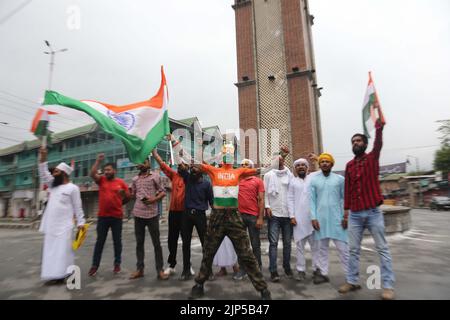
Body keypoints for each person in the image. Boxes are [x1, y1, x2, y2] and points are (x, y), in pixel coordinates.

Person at [183, 141, 284, 300]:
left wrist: (282, 156)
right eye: (225, 153)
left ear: (233, 157)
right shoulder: (213, 170)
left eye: (230, 153)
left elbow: (262, 169)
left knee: (246, 254)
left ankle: (263, 289)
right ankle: (199, 284)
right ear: (221, 156)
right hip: (217, 216)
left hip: (234, 217)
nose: (227, 156)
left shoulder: (239, 172)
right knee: (208, 251)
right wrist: (175, 144)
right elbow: (193, 162)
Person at [339, 119, 396, 300]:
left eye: (358, 141)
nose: (355, 143)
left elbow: (378, 143)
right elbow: (347, 190)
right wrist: (346, 213)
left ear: (365, 143)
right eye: (353, 142)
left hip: (373, 212)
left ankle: (388, 286)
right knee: (353, 250)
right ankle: (352, 280)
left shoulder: (372, 158)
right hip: (355, 215)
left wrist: (379, 127)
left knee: (382, 249)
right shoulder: (349, 165)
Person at [38, 146, 86, 285]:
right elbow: (43, 172)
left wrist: (81, 224)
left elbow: (78, 208)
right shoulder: (53, 185)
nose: (53, 174)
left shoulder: (73, 188)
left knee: (64, 252)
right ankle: (52, 274)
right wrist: (43, 157)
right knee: (50, 252)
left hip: (65, 226)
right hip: (51, 226)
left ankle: (63, 274)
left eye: (57, 172)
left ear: (64, 173)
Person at [88, 153, 131, 277]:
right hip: (103, 217)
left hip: (117, 217)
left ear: (114, 171)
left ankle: (117, 264)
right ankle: (95, 266)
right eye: (105, 170)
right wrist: (97, 161)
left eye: (108, 170)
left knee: (117, 242)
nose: (106, 172)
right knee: (99, 242)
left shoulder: (121, 182)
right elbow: (92, 174)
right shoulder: (101, 180)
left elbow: (128, 197)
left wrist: (122, 198)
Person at [310, 153, 349, 285]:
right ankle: (323, 273)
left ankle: (351, 277)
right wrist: (313, 218)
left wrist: (346, 215)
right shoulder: (314, 180)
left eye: (327, 161)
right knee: (322, 248)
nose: (325, 163)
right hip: (321, 220)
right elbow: (312, 201)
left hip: (337, 219)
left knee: (343, 248)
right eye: (322, 162)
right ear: (319, 164)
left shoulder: (339, 179)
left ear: (332, 164)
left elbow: (345, 198)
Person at [129, 158, 168, 280]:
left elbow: (162, 192)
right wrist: (125, 194)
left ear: (149, 164)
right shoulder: (135, 179)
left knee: (156, 243)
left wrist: (153, 200)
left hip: (152, 214)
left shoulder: (155, 177)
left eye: (145, 162)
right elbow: (132, 195)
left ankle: (160, 270)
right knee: (139, 244)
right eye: (141, 162)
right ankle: (140, 269)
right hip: (138, 214)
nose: (142, 164)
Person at [152, 149, 189, 276]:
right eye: (178, 165)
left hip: (185, 214)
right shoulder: (174, 175)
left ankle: (187, 266)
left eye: (182, 165)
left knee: (186, 240)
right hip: (173, 213)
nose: (179, 166)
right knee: (171, 240)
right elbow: (163, 165)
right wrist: (155, 153)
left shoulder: (190, 178)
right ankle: (172, 265)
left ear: (187, 166)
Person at [178, 162, 214, 281]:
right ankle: (186, 270)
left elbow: (211, 202)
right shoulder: (188, 179)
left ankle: (208, 270)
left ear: (201, 171)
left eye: (196, 168)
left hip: (200, 215)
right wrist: (183, 165)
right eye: (192, 168)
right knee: (186, 243)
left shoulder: (206, 184)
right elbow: (182, 170)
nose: (193, 170)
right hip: (186, 214)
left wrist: (216, 216)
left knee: (205, 243)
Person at [287, 158, 320, 282]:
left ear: (307, 167)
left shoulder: (312, 178)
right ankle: (301, 270)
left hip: (313, 219)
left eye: (303, 165)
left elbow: (323, 168)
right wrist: (292, 216)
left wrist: (317, 159)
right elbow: (290, 199)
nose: (301, 167)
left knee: (315, 247)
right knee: (300, 247)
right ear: (295, 169)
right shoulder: (293, 182)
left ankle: (317, 269)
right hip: (299, 219)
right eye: (298, 165)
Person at [264, 153, 294, 282]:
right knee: (273, 243)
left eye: (281, 159)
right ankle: (273, 271)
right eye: (276, 159)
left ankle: (287, 267)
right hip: (274, 213)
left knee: (287, 243)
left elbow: (293, 193)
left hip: (287, 214)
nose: (279, 161)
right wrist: (267, 206)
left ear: (284, 160)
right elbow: (264, 192)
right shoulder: (268, 175)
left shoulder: (290, 175)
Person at [234, 159, 265, 281]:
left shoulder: (258, 181)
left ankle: (257, 269)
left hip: (253, 217)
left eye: (246, 165)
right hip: (238, 217)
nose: (243, 166)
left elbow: (261, 200)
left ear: (252, 167)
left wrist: (261, 218)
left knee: (255, 244)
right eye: (241, 165)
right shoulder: (236, 181)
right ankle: (242, 269)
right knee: (241, 245)